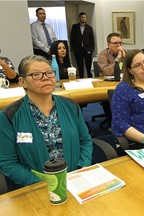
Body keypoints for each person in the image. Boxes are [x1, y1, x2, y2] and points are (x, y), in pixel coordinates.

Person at [0, 55, 92, 188]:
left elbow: (85, 140)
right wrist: (42, 185)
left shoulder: (71, 106)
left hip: (75, 180)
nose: (46, 77)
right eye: (36, 74)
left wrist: (83, 166)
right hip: (36, 187)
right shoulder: (9, 116)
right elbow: (8, 163)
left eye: (49, 73)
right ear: (22, 82)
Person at [70, 12, 95, 78]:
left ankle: (90, 78)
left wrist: (92, 48)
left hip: (87, 49)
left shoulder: (89, 28)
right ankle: (81, 79)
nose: (83, 19)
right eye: (82, 17)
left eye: (84, 17)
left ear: (86, 18)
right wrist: (72, 48)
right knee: (79, 66)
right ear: (79, 18)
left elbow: (92, 38)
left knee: (88, 66)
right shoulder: (75, 27)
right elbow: (72, 38)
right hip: (78, 49)